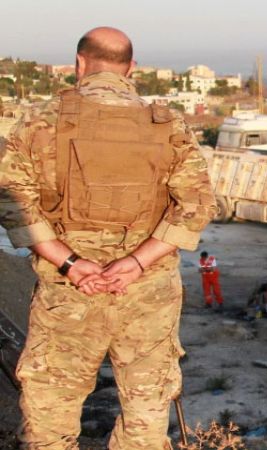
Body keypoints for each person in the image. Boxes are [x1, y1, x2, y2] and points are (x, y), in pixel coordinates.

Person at [0, 27, 216, 449]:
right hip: (146, 292)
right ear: (131, 69)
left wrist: (71, 263)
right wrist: (135, 263)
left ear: (80, 63)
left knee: (49, 414)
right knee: (146, 416)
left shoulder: (42, 119)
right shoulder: (168, 123)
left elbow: (12, 202)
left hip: (68, 292)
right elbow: (198, 205)